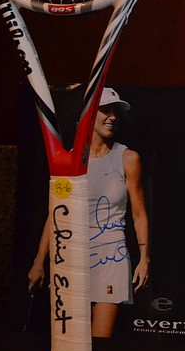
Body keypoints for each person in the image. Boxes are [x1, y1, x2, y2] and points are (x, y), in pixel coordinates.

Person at [28, 87, 150, 337]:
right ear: (88, 116)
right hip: (73, 258)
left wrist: (144, 258)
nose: (113, 117)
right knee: (73, 343)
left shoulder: (127, 158)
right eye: (105, 110)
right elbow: (56, 216)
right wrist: (39, 261)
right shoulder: (69, 160)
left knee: (101, 344)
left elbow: (139, 213)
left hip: (112, 257)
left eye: (115, 111)